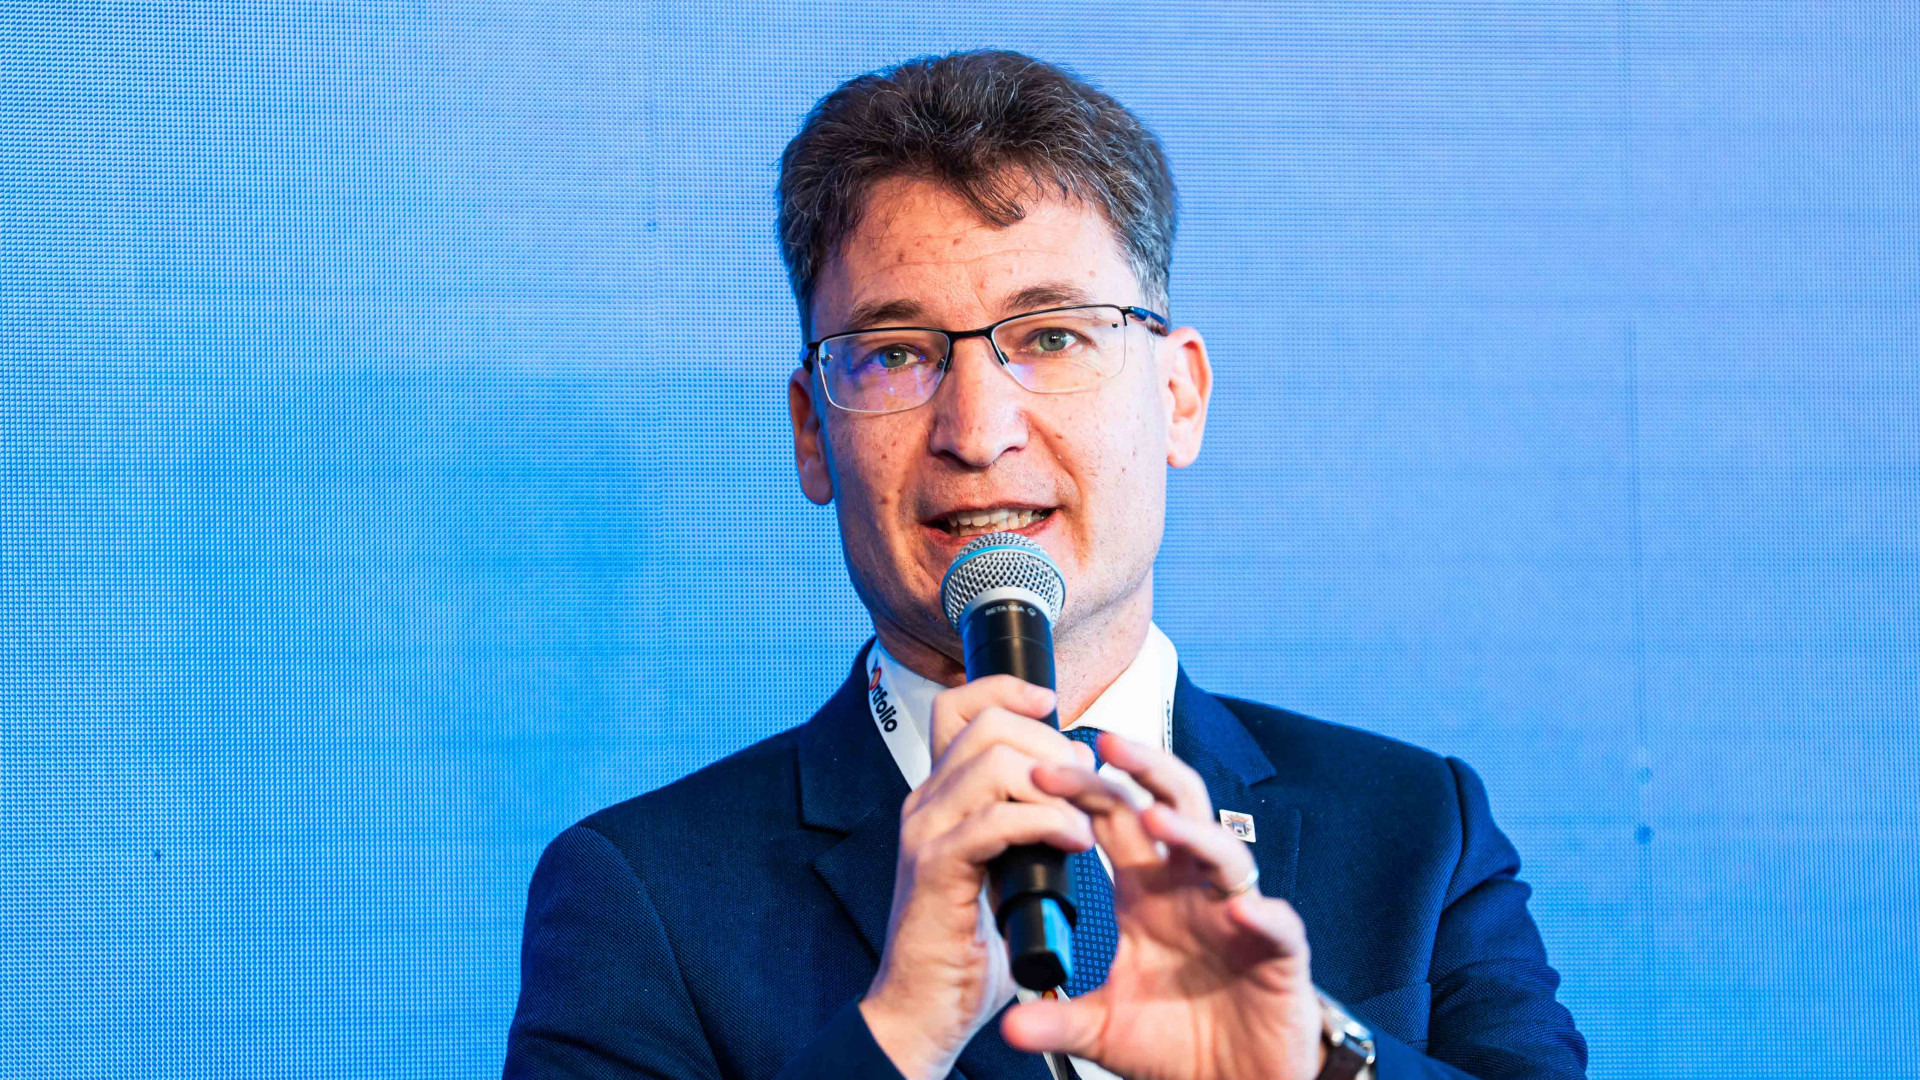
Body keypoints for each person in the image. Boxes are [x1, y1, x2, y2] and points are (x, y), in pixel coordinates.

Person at [503, 50, 1587, 1080]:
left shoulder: (1417, 832)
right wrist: (900, 1034)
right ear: (810, 433)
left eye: (1053, 336)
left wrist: (1312, 1060)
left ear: (1180, 395)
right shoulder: (642, 897)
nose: (977, 432)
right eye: (896, 355)